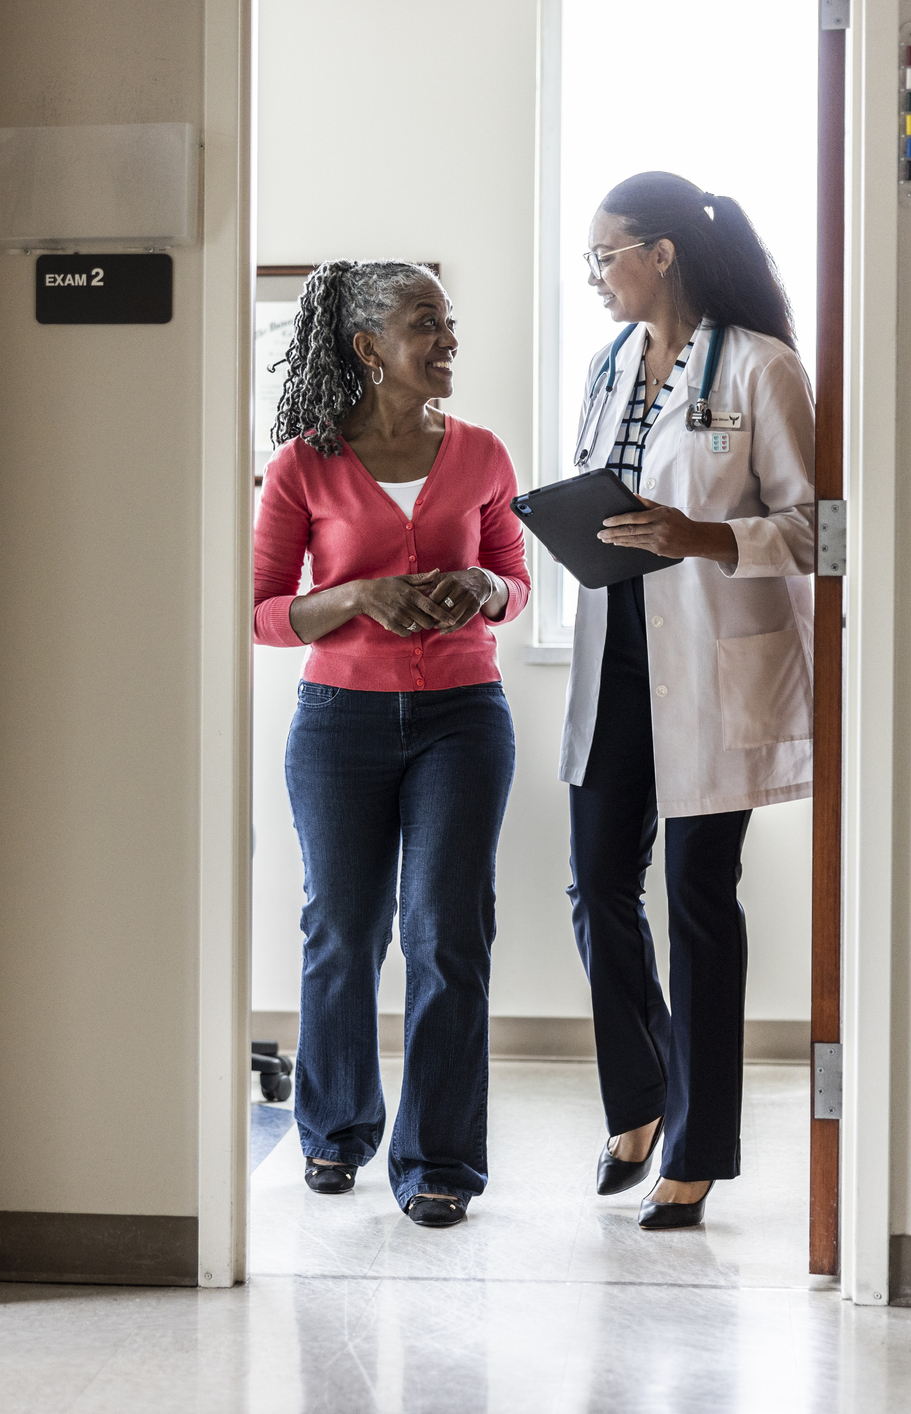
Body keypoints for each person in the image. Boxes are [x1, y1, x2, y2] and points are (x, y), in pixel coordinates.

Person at [561, 172, 815, 1231]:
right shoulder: (608, 364)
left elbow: (817, 532)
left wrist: (704, 536)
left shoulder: (763, 369)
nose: (595, 278)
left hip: (712, 660)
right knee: (593, 882)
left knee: (699, 902)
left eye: (605, 255)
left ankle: (697, 1146)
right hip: (615, 643)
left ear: (661, 251)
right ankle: (640, 1094)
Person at [253, 261, 530, 1229]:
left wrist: (484, 591)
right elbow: (259, 612)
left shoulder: (484, 454)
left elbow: (515, 579)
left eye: (448, 323)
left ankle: (438, 1158)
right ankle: (332, 1131)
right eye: (426, 325)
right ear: (369, 346)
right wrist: (355, 597)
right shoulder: (302, 463)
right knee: (342, 930)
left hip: (463, 716)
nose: (447, 340)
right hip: (339, 723)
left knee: (447, 935)